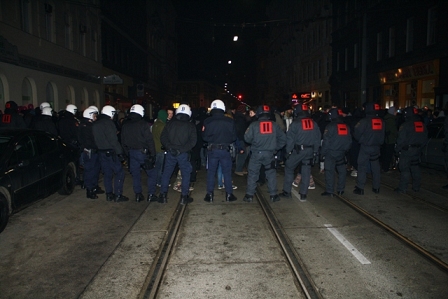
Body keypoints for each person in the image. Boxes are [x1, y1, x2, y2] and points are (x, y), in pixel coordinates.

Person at [242, 105, 286, 202]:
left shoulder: (254, 125)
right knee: (271, 174)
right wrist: (275, 149)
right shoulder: (274, 125)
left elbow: (247, 139)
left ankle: (249, 195)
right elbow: (283, 139)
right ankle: (273, 195)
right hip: (270, 154)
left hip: (256, 153)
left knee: (253, 174)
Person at [279, 103, 321, 200]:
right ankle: (303, 194)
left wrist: (288, 152)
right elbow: (317, 138)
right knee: (306, 171)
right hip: (310, 150)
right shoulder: (313, 123)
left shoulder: (296, 124)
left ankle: (287, 191)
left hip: (298, 151)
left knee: (289, 168)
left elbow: (290, 139)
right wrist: (315, 151)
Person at [158, 104, 196, 205]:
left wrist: (170, 147)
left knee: (167, 173)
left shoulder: (170, 124)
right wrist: (181, 150)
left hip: (171, 152)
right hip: (183, 153)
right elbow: (193, 142)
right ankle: (184, 197)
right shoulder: (190, 125)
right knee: (185, 174)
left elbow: (163, 138)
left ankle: (163, 195)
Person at [202, 99, 237, 203]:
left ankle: (210, 195)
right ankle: (229, 194)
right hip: (225, 150)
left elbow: (204, 137)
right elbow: (234, 137)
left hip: (212, 150)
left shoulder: (207, 121)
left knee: (211, 173)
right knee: (227, 172)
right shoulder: (230, 121)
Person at [121, 104, 158, 203]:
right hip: (142, 153)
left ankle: (138, 194)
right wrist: (153, 154)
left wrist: (127, 153)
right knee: (152, 173)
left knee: (136, 175)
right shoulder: (143, 124)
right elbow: (149, 140)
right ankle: (151, 194)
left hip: (131, 153)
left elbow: (123, 141)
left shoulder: (125, 125)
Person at [92, 105, 129, 202]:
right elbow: (113, 140)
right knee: (119, 173)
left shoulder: (96, 123)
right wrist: (120, 153)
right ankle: (118, 194)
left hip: (101, 152)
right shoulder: (108, 123)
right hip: (111, 152)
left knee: (107, 174)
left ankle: (109, 194)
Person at [353, 102, 385, 195]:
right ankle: (376, 187)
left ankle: (360, 187)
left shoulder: (364, 121)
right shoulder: (381, 121)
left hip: (366, 147)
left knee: (362, 166)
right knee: (375, 167)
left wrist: (361, 140)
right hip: (376, 147)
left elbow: (357, 132)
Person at [394, 107, 428, 193]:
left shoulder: (406, 125)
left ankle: (402, 188)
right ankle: (416, 187)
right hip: (417, 150)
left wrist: (397, 150)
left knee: (404, 169)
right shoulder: (421, 124)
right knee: (415, 168)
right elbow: (425, 138)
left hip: (407, 150)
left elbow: (400, 140)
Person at [320, 108, 352, 196]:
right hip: (341, 153)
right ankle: (341, 189)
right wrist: (345, 150)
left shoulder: (330, 126)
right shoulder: (346, 126)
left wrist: (322, 153)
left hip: (331, 152)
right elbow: (349, 140)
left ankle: (330, 191)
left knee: (329, 171)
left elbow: (326, 142)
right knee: (342, 171)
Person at [78, 107, 103, 199]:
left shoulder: (85, 125)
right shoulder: (87, 126)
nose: (95, 118)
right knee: (90, 171)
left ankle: (94, 186)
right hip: (90, 151)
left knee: (95, 170)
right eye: (94, 115)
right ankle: (90, 189)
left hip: (93, 150)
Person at [152, 109, 168, 187]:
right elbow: (164, 138)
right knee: (160, 167)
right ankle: (160, 181)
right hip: (161, 149)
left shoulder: (155, 124)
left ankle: (155, 181)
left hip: (155, 147)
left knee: (157, 166)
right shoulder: (162, 125)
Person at [380, 106, 398, 172]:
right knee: (388, 155)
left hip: (385, 139)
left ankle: (384, 167)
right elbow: (394, 131)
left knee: (384, 154)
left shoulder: (385, 119)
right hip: (390, 140)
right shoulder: (392, 120)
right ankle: (386, 168)